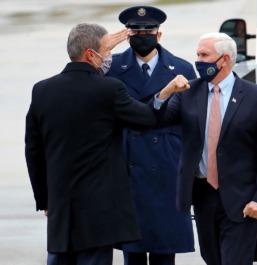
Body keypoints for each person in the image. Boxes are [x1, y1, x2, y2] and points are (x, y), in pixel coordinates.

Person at [24, 23, 186, 265]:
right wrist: (166, 92)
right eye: (107, 50)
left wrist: (45, 199)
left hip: (60, 205)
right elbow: (147, 119)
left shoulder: (42, 90)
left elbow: (33, 151)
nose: (110, 56)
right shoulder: (108, 89)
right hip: (99, 209)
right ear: (91, 54)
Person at [154, 32, 257, 265]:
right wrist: (166, 92)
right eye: (198, 55)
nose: (198, 61)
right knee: (211, 258)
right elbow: (157, 120)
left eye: (204, 55)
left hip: (242, 199)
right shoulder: (187, 93)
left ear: (224, 60)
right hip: (203, 196)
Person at [106, 6, 196, 265]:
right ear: (127, 34)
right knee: (132, 252)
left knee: (164, 250)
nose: (142, 34)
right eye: (136, 30)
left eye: (148, 30)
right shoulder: (112, 68)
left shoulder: (181, 68)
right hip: (127, 162)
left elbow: (191, 121)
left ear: (159, 35)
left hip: (167, 163)